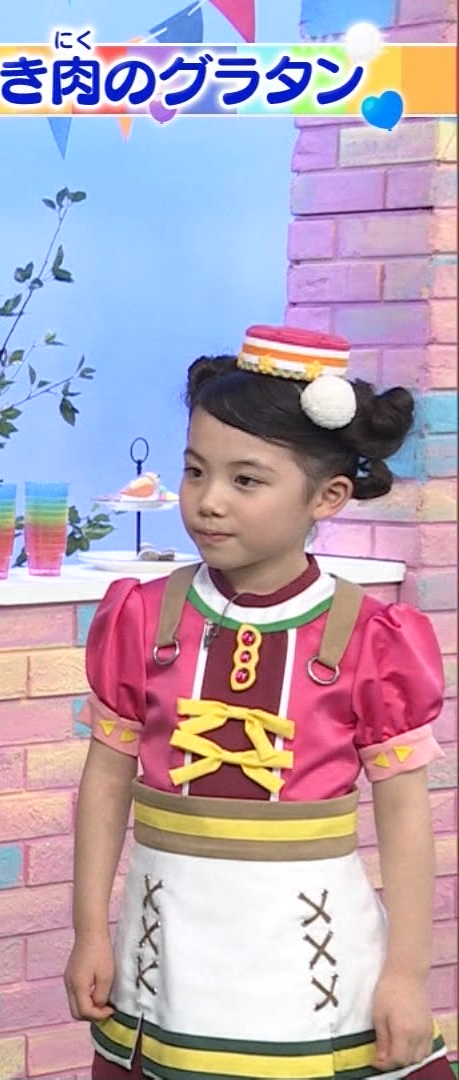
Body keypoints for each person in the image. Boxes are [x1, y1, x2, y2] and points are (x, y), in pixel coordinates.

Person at [66, 325, 455, 1080]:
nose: (208, 502)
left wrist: (407, 975)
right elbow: (106, 781)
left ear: (328, 496)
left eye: (246, 481)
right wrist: (89, 931)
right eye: (195, 471)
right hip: (164, 963)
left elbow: (406, 816)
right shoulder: (141, 619)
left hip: (314, 967)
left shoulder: (372, 638)